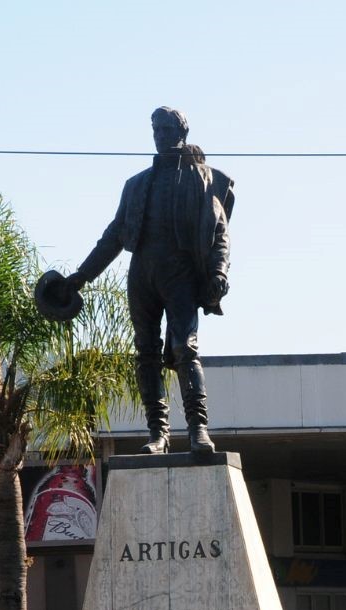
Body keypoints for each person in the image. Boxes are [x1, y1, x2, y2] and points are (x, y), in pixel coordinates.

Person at [64, 106, 234, 455]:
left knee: (185, 348)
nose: (159, 135)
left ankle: (198, 429)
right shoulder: (136, 184)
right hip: (142, 272)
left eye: (166, 128)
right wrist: (80, 277)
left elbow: (219, 233)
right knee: (145, 353)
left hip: (181, 273)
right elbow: (113, 237)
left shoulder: (203, 179)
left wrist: (219, 271)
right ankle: (158, 433)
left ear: (181, 132)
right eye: (155, 129)